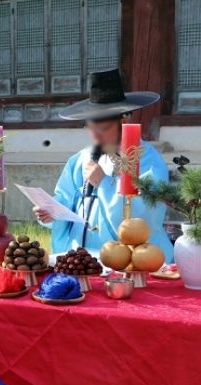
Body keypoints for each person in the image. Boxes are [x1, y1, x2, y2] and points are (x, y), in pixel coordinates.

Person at [34, 69, 174, 261]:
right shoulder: (80, 160)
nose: (95, 136)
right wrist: (50, 213)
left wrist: (104, 183)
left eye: (103, 129)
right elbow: (65, 201)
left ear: (125, 120)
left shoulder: (149, 161)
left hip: (126, 259)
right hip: (81, 258)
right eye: (91, 128)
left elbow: (145, 217)